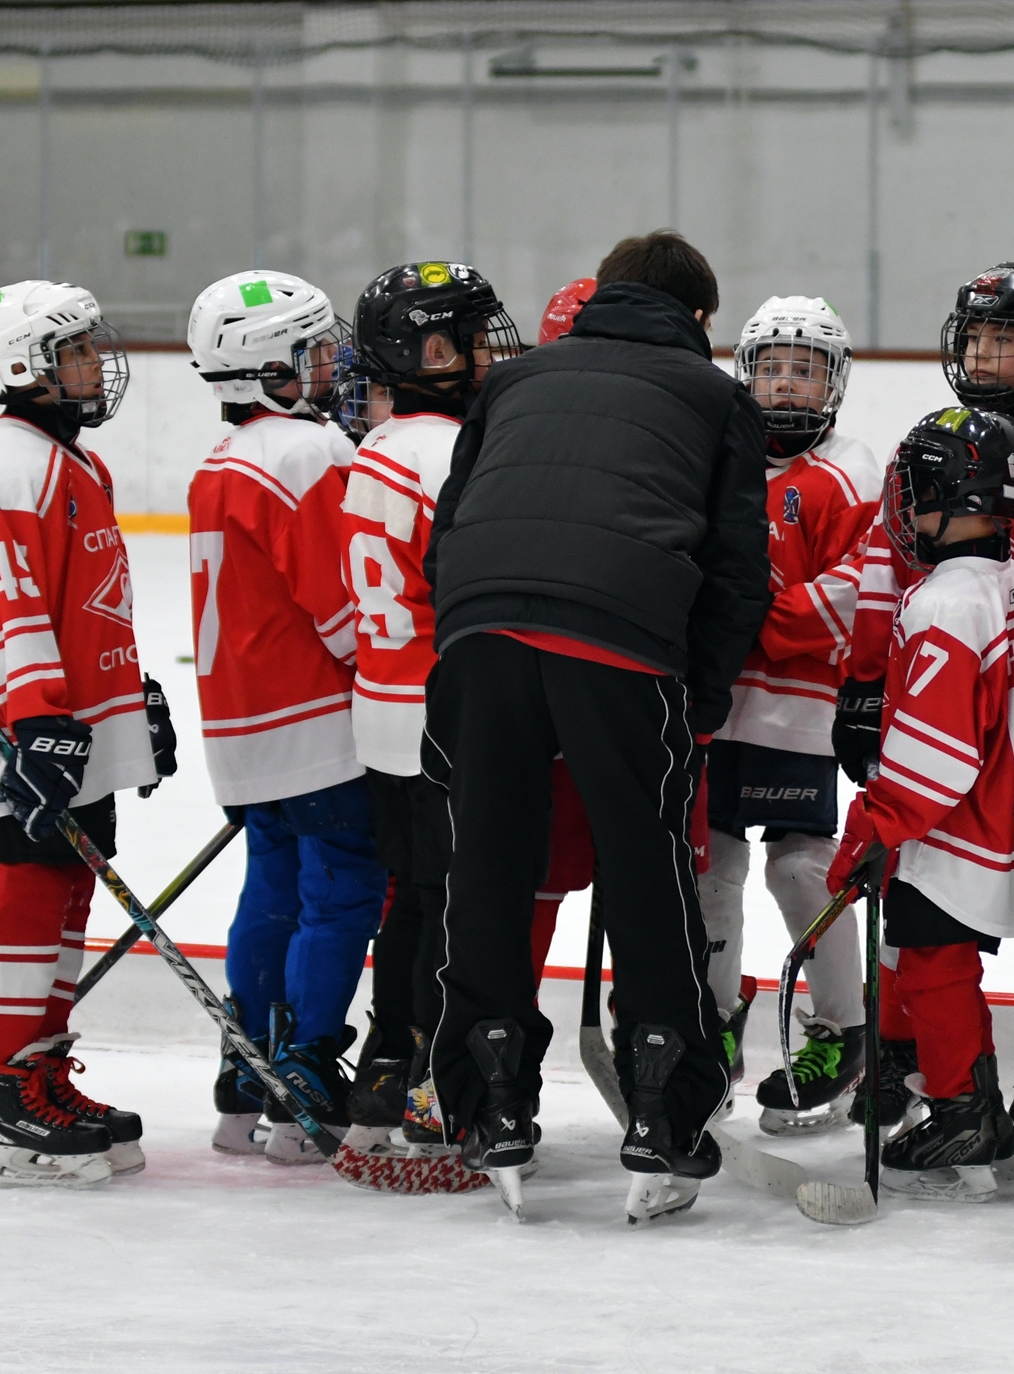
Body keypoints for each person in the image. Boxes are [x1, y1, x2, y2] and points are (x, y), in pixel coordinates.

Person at [422, 229, 770, 1223]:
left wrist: (467, 637)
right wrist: (696, 701)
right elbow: (738, 571)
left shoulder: (516, 377)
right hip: (619, 636)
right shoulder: (715, 395)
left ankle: (488, 1097)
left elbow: (452, 527)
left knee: (488, 860)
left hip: (482, 628)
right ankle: (664, 1104)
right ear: (700, 317)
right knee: (647, 867)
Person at [836, 261, 1014, 1151]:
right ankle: (901, 1047)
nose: (985, 353)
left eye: (1005, 338)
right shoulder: (927, 446)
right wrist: (863, 682)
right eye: (975, 337)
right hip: (946, 700)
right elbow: (884, 569)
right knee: (914, 876)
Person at [0, 280, 175, 1188]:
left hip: (81, 725)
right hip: (40, 728)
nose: (94, 363)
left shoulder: (76, 462)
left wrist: (134, 696)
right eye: (74, 350)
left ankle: (40, 1065)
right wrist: (37, 718)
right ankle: (0, 1089)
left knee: (72, 892)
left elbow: (92, 604)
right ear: (20, 369)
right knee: (29, 889)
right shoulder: (3, 465)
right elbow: (10, 607)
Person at [826, 406, 1014, 1201]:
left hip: (959, 828)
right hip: (1009, 822)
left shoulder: (946, 604)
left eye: (918, 489)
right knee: (937, 960)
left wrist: (870, 827)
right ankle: (969, 1099)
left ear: (955, 496)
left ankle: (962, 1108)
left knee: (931, 963)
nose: (906, 506)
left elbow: (937, 748)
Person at [185, 270, 387, 1163]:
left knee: (271, 883)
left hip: (242, 721)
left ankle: (248, 1070)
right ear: (269, 368)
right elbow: (339, 604)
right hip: (317, 718)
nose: (333, 361)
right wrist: (389, 671)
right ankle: (305, 1067)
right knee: (341, 888)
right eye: (314, 350)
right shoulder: (309, 454)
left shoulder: (218, 461)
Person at [334, 261, 525, 1147]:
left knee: (410, 899)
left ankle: (388, 1064)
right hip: (442, 716)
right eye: (475, 336)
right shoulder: (450, 451)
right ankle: (436, 1082)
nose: (492, 351)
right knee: (455, 904)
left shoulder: (374, 445)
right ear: (434, 350)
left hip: (380, 711)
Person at [699, 295, 881, 1134]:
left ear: (833, 383)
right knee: (711, 872)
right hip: (713, 705)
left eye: (804, 371)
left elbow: (856, 594)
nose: (783, 386)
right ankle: (714, 1024)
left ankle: (846, 1031)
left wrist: (753, 616)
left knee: (802, 870)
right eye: (771, 367)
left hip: (801, 712)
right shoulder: (717, 458)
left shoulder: (852, 470)